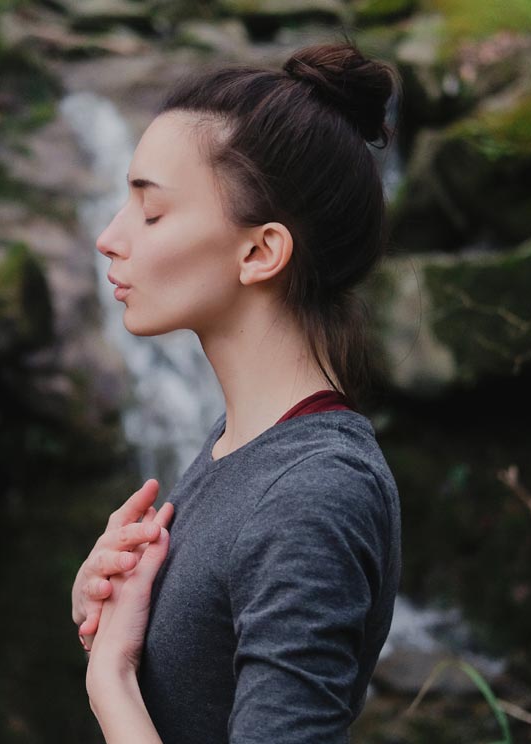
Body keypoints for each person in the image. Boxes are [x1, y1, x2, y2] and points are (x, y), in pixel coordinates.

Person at [69, 40, 403, 743]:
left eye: (151, 214)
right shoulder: (241, 445)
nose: (108, 239)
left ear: (261, 252)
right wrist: (118, 617)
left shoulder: (313, 494)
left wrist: (111, 682)